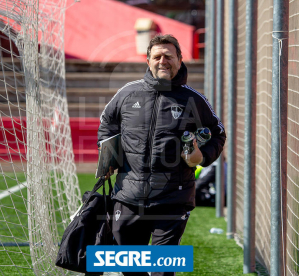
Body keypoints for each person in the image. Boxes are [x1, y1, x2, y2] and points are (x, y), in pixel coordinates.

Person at [97, 34, 226, 276]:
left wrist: (202, 156)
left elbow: (218, 134)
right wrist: (108, 159)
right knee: (127, 266)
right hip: (128, 196)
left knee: (161, 270)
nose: (163, 61)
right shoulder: (127, 93)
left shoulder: (194, 100)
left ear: (180, 59)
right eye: (157, 56)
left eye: (169, 56)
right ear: (148, 60)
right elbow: (107, 124)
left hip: (172, 200)